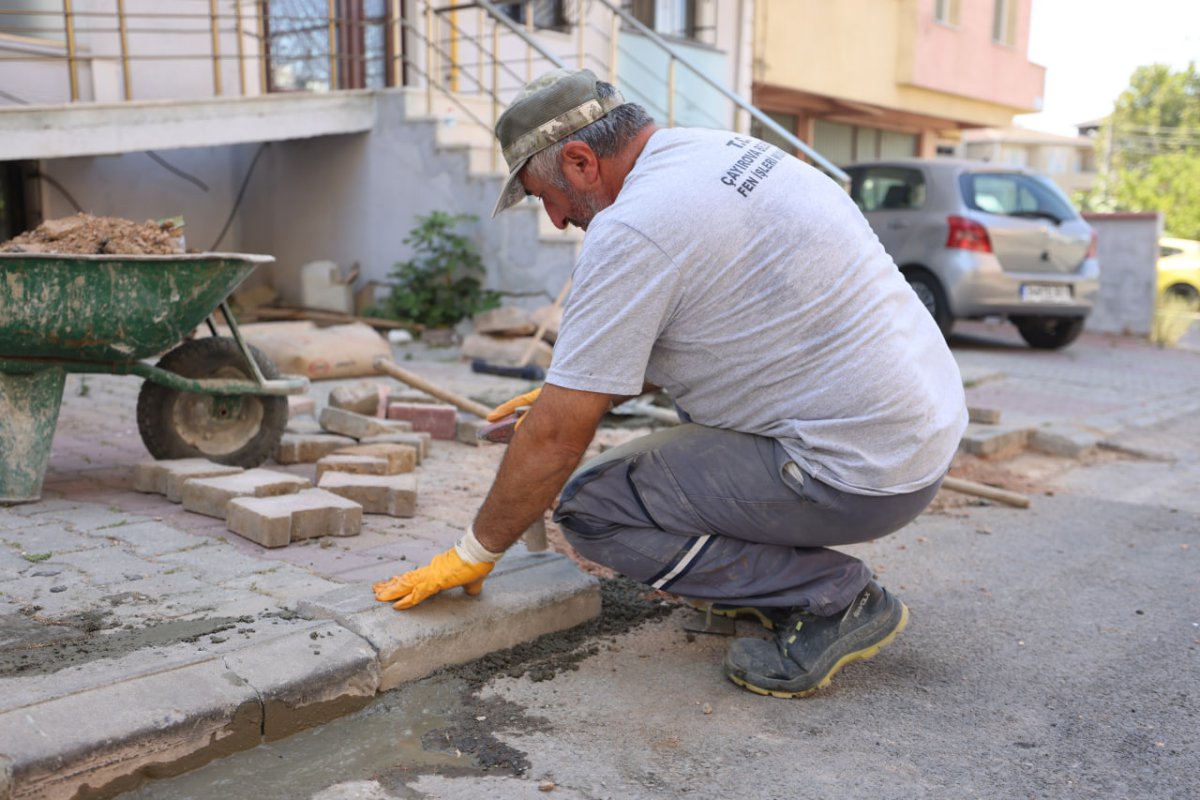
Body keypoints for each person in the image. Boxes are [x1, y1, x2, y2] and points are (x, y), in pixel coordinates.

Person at [373, 68, 968, 698]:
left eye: (543, 195)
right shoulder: (726, 152)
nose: (553, 219)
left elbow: (554, 440)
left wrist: (475, 550)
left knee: (593, 508)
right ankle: (758, 583)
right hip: (919, 429)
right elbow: (728, 324)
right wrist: (588, 386)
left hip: (858, 472)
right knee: (677, 436)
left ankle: (835, 597)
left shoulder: (634, 228)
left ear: (580, 162)